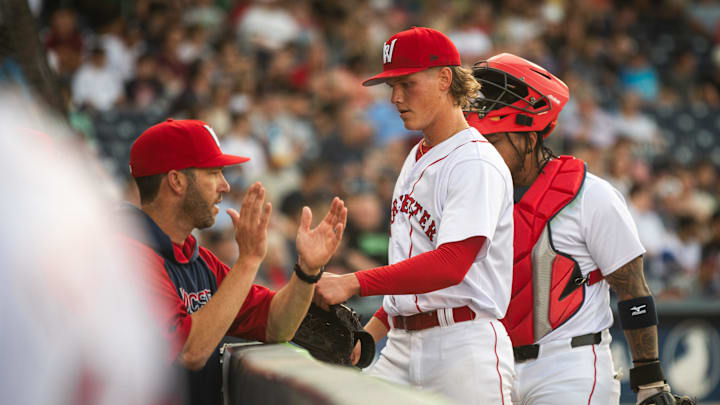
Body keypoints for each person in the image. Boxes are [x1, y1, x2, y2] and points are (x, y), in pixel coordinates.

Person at [464, 53, 688, 405]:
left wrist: (649, 380)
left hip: (568, 365)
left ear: (530, 134)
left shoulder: (592, 195)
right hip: (490, 365)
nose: (483, 154)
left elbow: (633, 291)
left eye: (493, 142)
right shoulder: (472, 193)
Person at [314, 27, 515, 404]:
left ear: (444, 79)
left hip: (462, 347)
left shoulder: (474, 161)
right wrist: (369, 335)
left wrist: (354, 281)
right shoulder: (418, 152)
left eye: (407, 83)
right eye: (392, 86)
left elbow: (450, 265)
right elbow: (411, 273)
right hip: (401, 343)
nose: (395, 97)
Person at [120, 118, 347, 404]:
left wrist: (307, 271)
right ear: (177, 181)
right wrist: (249, 260)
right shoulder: (126, 257)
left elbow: (276, 324)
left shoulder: (198, 258)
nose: (225, 186)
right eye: (214, 173)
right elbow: (190, 351)